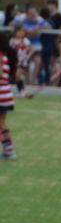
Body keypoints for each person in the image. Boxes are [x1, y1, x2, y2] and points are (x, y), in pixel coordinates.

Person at [0, 32, 17, 160]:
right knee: (2, 123)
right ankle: (9, 150)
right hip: (5, 93)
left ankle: (9, 151)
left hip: (1, 93)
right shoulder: (4, 56)